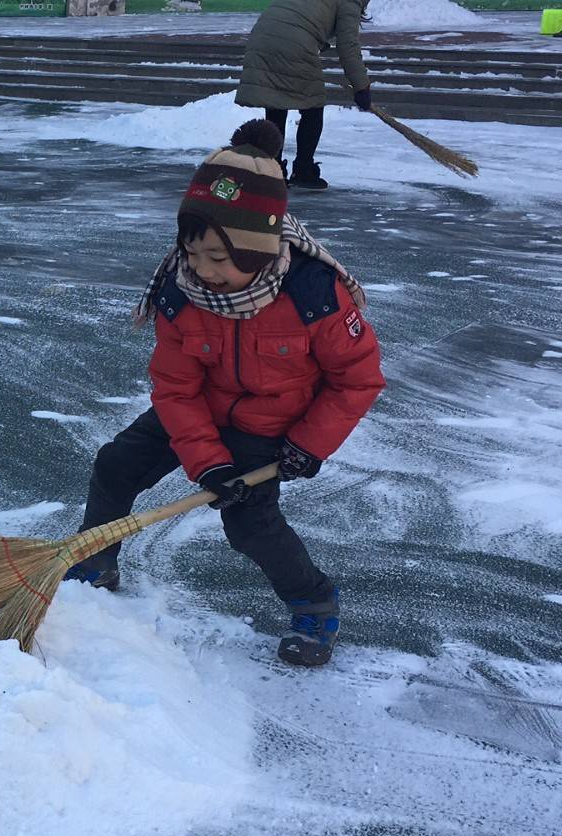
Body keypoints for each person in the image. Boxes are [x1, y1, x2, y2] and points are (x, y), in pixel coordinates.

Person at [64, 120, 384, 667]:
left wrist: (308, 445)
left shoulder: (313, 294)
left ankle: (315, 602)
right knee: (117, 463)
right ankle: (96, 559)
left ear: (260, 251)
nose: (203, 271)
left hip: (269, 427)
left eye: (220, 257)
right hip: (196, 413)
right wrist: (206, 462)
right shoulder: (180, 292)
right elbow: (175, 386)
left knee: (249, 524)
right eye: (193, 253)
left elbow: (357, 378)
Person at [236, 0, 373, 191]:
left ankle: (272, 171)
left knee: (275, 104)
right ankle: (303, 170)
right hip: (292, 43)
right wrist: (361, 87)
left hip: (262, 37)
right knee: (313, 106)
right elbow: (348, 45)